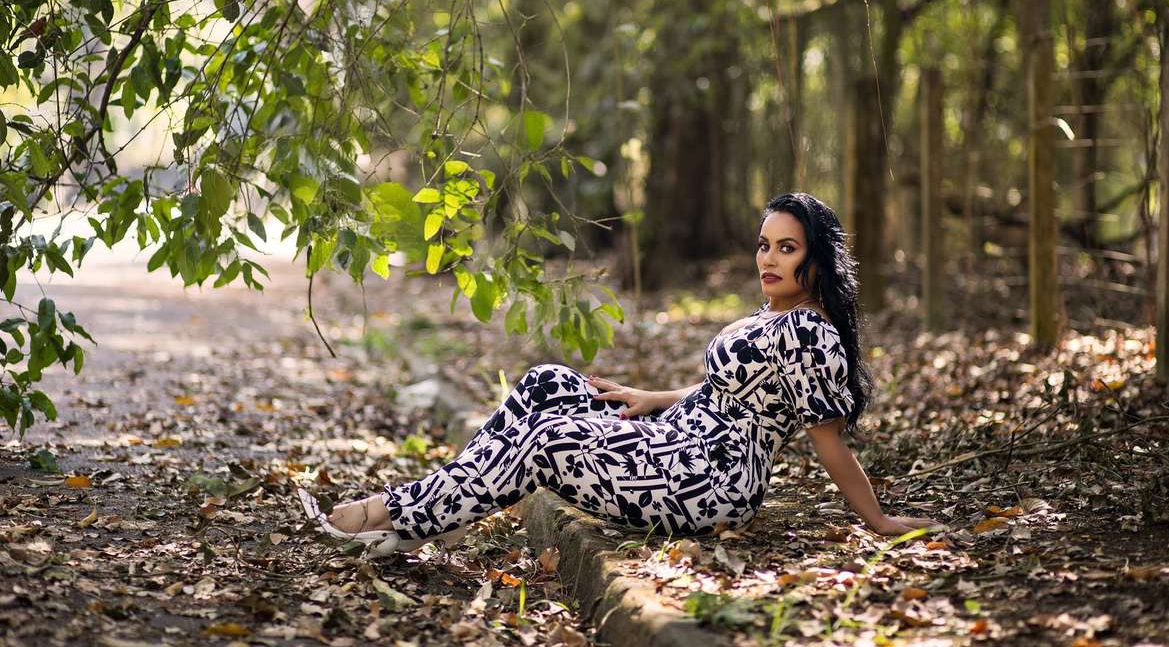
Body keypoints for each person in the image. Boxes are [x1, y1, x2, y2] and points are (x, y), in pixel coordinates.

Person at [299, 192, 944, 558]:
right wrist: (652, 398)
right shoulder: (776, 316)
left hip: (710, 479)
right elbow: (730, 390)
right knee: (547, 382)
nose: (768, 259)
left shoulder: (814, 334)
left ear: (815, 260)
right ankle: (444, 506)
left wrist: (879, 521)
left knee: (547, 439)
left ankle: (404, 515)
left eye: (787, 248)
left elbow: (826, 440)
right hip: (678, 437)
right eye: (763, 244)